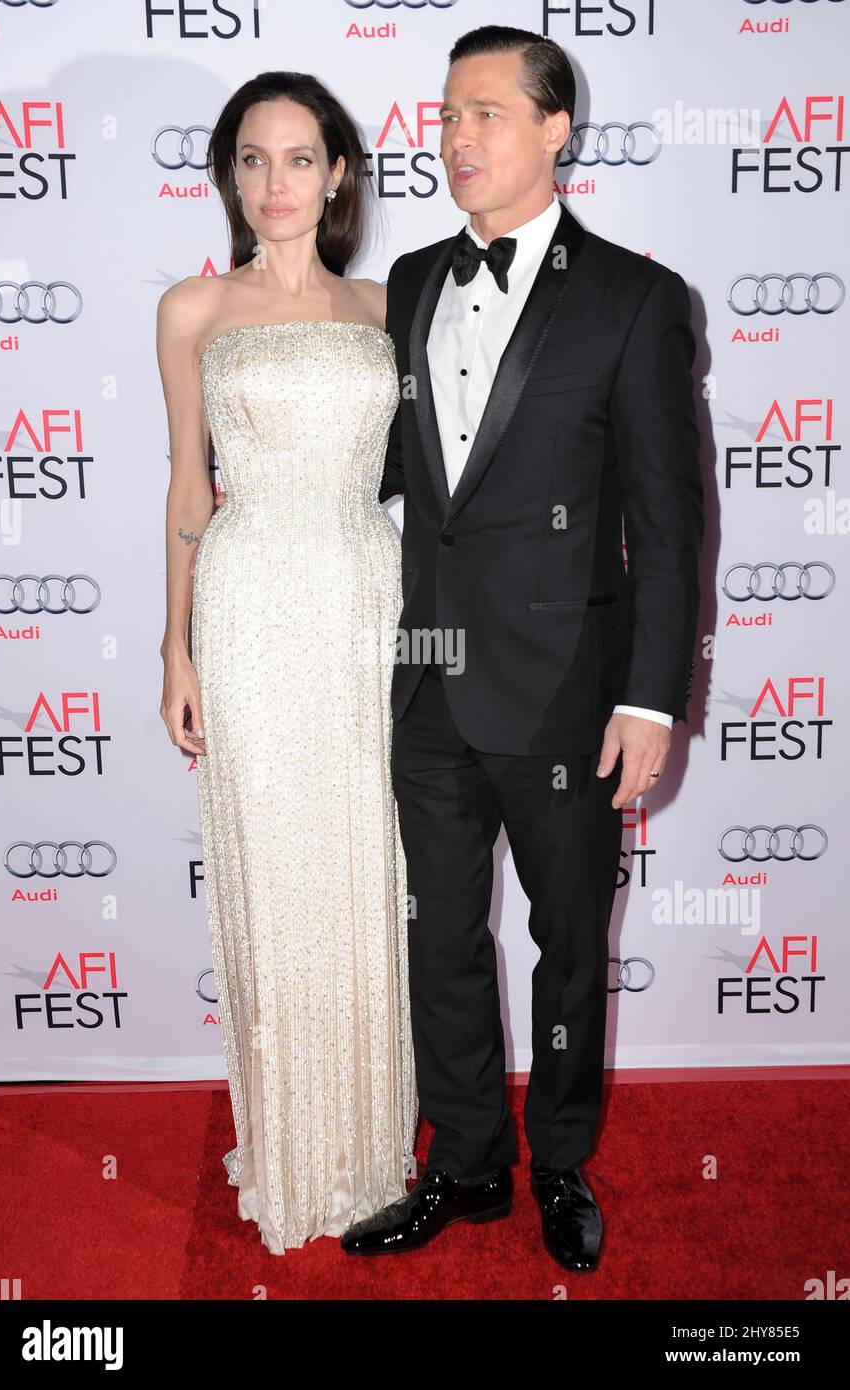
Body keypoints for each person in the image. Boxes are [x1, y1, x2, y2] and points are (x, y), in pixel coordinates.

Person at [340, 25, 704, 1271]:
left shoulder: (635, 300)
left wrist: (650, 699)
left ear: (557, 130)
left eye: (486, 114)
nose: (455, 140)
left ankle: (556, 1160)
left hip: (565, 692)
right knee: (438, 934)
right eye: (445, 117)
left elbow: (667, 520)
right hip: (427, 674)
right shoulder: (407, 285)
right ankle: (463, 1164)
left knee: (562, 948)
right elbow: (394, 471)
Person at [156, 71, 417, 1255]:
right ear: (227, 176)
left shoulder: (385, 307)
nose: (274, 183)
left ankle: (367, 1147)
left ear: (340, 172)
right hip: (252, 603)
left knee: (363, 865)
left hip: (367, 601)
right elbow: (186, 486)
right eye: (251, 160)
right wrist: (176, 642)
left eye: (298, 158)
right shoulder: (191, 309)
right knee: (274, 875)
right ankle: (292, 1144)